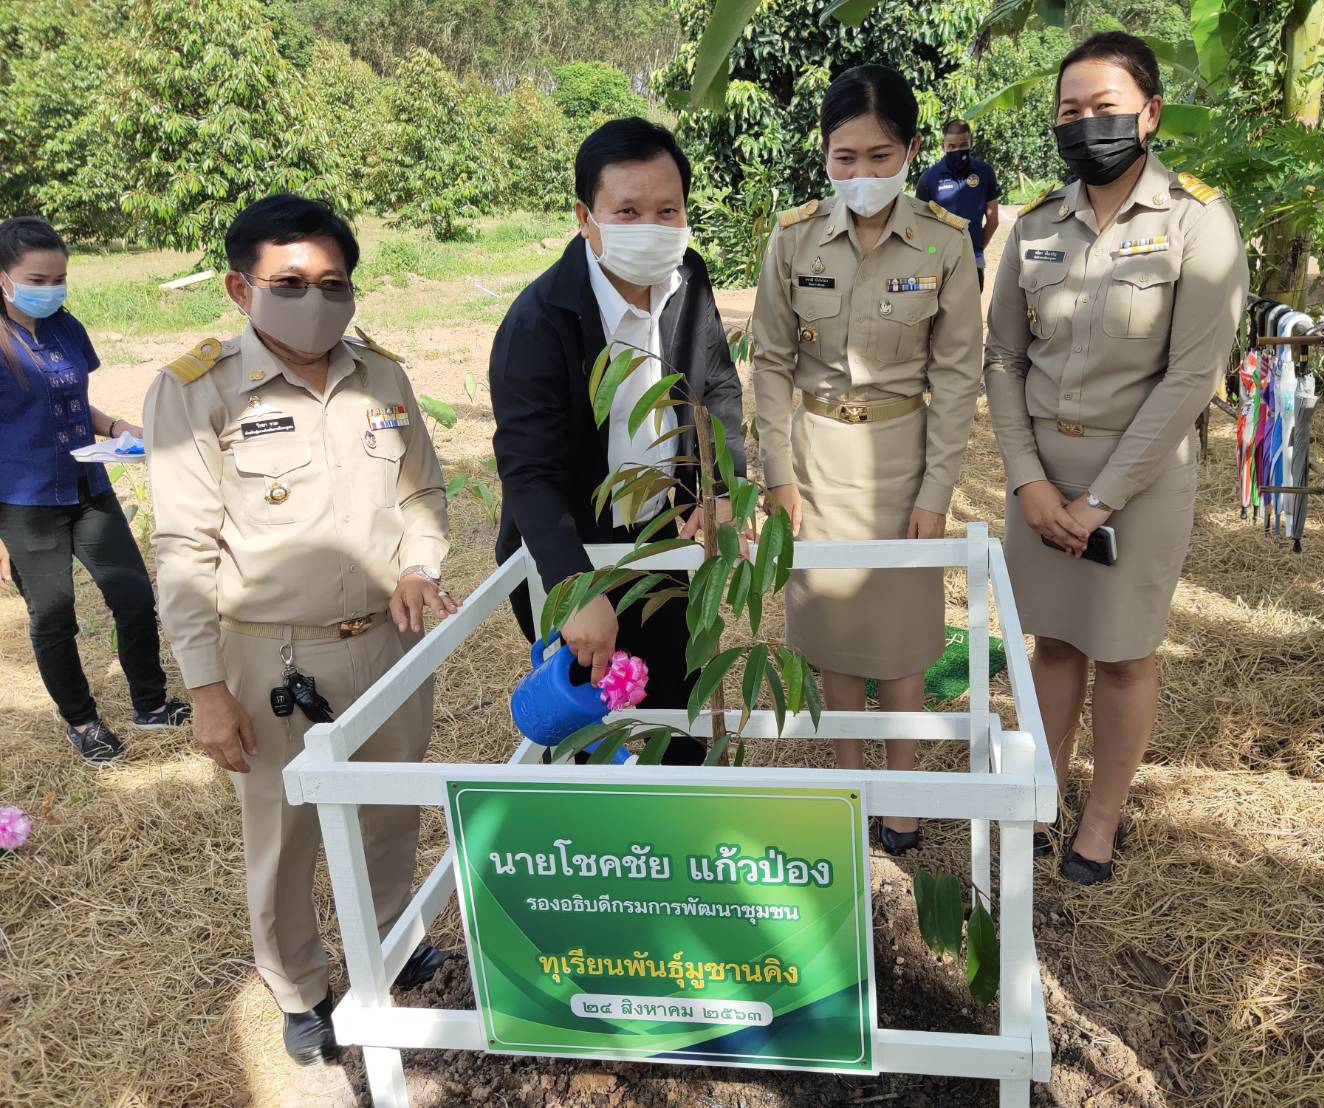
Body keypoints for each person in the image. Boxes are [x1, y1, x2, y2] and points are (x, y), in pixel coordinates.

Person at [144, 195, 455, 1065]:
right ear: (242, 289)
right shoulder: (194, 387)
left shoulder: (381, 376)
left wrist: (419, 564)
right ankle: (299, 987)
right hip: (272, 654)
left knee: (392, 810)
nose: (314, 300)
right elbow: (182, 548)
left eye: (333, 282)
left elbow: (423, 495)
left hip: (387, 643)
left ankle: (390, 938)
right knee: (283, 834)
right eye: (289, 283)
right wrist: (206, 689)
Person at [983, 32, 1248, 885]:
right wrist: (1025, 480)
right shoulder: (1032, 226)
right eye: (1069, 112)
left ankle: (1102, 817)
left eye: (1103, 109)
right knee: (1053, 644)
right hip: (1041, 478)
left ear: (1149, 113)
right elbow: (1003, 360)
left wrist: (1098, 500)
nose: (1085, 125)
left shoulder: (1197, 221)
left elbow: (1190, 378)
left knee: (1125, 652)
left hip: (1137, 483)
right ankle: (1045, 792)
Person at [752, 65, 983, 855]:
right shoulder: (792, 238)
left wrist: (936, 492)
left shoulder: (946, 245)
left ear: (912, 150)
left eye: (880, 156)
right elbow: (770, 364)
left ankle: (904, 796)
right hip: (814, 457)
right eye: (843, 158)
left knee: (904, 635)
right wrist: (776, 476)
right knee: (831, 629)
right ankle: (851, 786)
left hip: (902, 456)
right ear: (823, 156)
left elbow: (956, 377)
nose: (861, 174)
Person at [489, 117, 746, 763]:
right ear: (585, 216)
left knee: (679, 717)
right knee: (591, 731)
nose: (650, 229)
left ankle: (684, 847)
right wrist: (575, 587)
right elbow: (529, 473)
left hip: (665, 539)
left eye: (667, 210)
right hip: (572, 549)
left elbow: (716, 385)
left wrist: (718, 492)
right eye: (626, 212)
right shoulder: (539, 321)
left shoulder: (689, 277)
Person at [0, 216, 189, 763]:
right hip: (23, 501)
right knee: (55, 615)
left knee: (133, 596)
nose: (50, 289)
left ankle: (150, 706)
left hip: (88, 484)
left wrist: (114, 428)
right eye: (36, 280)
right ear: (4, 278)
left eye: (58, 278)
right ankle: (82, 722)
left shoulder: (64, 326)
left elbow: (68, 400)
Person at [916, 119, 1002, 288]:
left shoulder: (985, 173)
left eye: (963, 145)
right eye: (952, 146)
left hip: (973, 260)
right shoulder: (929, 178)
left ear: (971, 143)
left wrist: (976, 249)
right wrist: (933, 253)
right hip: (940, 261)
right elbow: (921, 225)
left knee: (970, 311)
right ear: (943, 146)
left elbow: (993, 220)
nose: (957, 150)